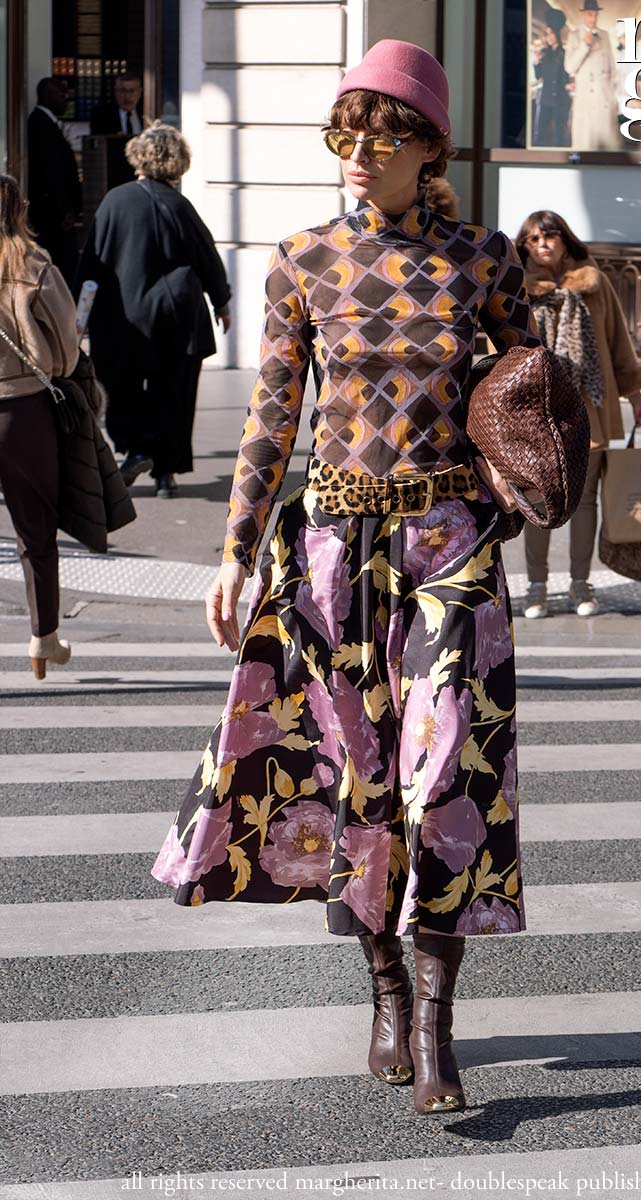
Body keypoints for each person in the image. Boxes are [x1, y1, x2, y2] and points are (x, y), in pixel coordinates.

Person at [151, 39, 540, 1116]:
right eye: (345, 134)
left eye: (381, 133)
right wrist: (235, 552)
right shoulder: (303, 259)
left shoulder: (484, 258)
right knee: (356, 779)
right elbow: (271, 421)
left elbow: (528, 388)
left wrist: (527, 461)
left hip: (447, 546)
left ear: (427, 146)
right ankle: (380, 991)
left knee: (449, 773)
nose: (357, 153)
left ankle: (433, 1022)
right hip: (330, 549)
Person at [74, 122, 231, 498]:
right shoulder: (181, 205)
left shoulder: (115, 200)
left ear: (138, 158)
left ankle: (135, 446)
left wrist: (77, 315)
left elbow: (92, 262)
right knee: (173, 392)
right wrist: (221, 302)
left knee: (120, 386)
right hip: (178, 315)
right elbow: (207, 258)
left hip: (123, 317)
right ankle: (165, 474)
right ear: (178, 163)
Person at [514, 209, 641, 617]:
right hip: (535, 412)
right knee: (539, 500)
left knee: (585, 501)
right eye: (533, 239)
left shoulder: (595, 284)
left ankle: (580, 584)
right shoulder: (516, 289)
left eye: (550, 236)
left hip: (589, 408)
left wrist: (638, 399)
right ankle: (537, 588)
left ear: (565, 240)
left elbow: (618, 345)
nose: (542, 245)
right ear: (524, 245)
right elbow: (502, 353)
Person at [0, 175, 79, 676]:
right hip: (21, 411)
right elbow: (67, 347)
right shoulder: (33, 265)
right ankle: (43, 637)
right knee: (35, 532)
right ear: (20, 210)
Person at [26, 78, 82, 279]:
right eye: (61, 94)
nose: (66, 100)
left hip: (54, 210)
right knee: (59, 264)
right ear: (47, 96)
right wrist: (65, 210)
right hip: (51, 212)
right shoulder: (41, 124)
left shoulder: (48, 123)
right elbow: (52, 172)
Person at [563, 0, 619, 150]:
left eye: (595, 14)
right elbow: (569, 68)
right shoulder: (574, 36)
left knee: (607, 146)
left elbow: (612, 66)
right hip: (586, 99)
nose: (593, 18)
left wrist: (613, 95)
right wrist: (584, 46)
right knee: (586, 144)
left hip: (604, 99)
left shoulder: (605, 35)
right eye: (589, 14)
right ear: (583, 15)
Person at [90, 72, 146, 190]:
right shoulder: (101, 114)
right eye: (122, 91)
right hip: (114, 177)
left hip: (143, 175)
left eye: (131, 91)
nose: (126, 97)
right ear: (115, 92)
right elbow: (96, 148)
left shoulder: (147, 112)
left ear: (140, 92)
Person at [532, 23, 570, 146]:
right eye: (547, 34)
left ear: (556, 34)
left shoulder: (565, 53)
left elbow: (567, 75)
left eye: (551, 33)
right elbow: (538, 76)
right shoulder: (544, 53)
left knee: (560, 135)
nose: (549, 37)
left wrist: (569, 85)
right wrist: (536, 62)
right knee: (539, 134)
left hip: (560, 99)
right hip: (544, 99)